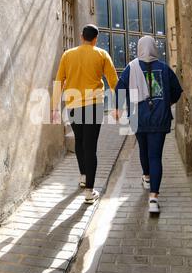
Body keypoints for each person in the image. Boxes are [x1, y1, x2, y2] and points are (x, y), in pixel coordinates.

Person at [114, 36, 183, 214]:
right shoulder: (165, 68)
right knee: (155, 156)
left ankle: (146, 177)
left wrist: (117, 108)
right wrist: (167, 102)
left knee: (143, 150)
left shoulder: (132, 67)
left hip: (138, 117)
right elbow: (177, 91)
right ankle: (153, 198)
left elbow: (119, 88)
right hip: (159, 118)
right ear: (154, 48)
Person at [52, 24, 118, 204]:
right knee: (90, 147)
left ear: (81, 36)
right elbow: (113, 82)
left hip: (73, 106)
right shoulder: (102, 54)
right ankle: (89, 190)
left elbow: (59, 80)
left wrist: (54, 107)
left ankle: (83, 175)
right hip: (94, 106)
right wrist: (119, 105)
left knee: (79, 142)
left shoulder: (68, 55)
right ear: (95, 38)